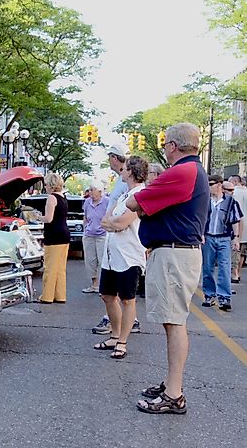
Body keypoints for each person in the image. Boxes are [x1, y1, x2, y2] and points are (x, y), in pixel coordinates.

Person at [127, 123, 208, 415]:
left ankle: (174, 394)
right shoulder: (193, 171)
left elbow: (133, 201)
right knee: (172, 321)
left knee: (174, 323)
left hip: (175, 254)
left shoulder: (182, 172)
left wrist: (145, 202)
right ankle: (170, 384)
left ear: (173, 145)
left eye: (164, 145)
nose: (163, 149)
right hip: (176, 253)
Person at [92, 156, 148, 359]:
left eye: (124, 169)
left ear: (131, 172)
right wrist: (112, 223)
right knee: (107, 295)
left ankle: (122, 342)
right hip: (111, 254)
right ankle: (114, 335)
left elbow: (120, 223)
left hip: (129, 256)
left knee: (127, 299)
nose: (121, 172)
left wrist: (113, 223)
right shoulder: (125, 195)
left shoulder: (140, 194)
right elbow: (106, 221)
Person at [91, 143, 132, 330]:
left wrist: (110, 223)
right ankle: (121, 323)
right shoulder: (120, 180)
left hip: (122, 240)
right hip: (113, 237)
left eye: (110, 157)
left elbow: (125, 213)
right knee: (111, 291)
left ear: (115, 158)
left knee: (122, 292)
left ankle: (116, 325)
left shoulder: (127, 182)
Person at [200, 175, 242, 311]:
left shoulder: (230, 202)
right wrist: (201, 234)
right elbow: (201, 219)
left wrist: (236, 238)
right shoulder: (206, 201)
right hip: (208, 237)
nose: (209, 187)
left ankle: (224, 297)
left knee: (224, 268)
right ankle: (209, 295)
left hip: (224, 237)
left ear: (219, 185)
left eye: (211, 184)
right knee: (207, 267)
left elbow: (235, 220)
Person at [37, 172, 70, 304]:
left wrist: (37, 217)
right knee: (60, 268)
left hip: (54, 235)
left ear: (51, 185)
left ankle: (47, 296)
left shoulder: (51, 198)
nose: (45, 186)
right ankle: (60, 295)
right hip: (64, 234)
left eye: (45, 184)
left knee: (50, 267)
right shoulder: (63, 197)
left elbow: (48, 218)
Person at [81, 180, 109, 293]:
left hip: (102, 235)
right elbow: (85, 217)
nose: (90, 192)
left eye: (93, 190)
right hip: (89, 235)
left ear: (100, 191)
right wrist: (85, 228)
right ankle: (94, 284)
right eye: (89, 190)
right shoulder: (87, 202)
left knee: (103, 260)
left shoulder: (107, 202)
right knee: (90, 261)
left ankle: (103, 286)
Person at [228, 175, 247, 283]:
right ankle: (238, 272)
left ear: (235, 181)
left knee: (235, 250)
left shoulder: (234, 193)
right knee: (243, 251)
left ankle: (234, 273)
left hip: (238, 225)